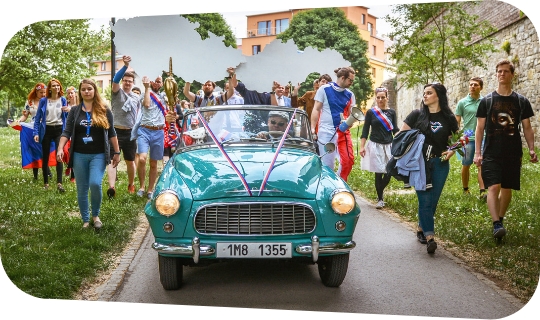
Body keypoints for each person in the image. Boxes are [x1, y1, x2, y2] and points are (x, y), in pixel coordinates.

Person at [473, 59, 538, 239]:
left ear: (512, 75)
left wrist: (531, 149)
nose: (502, 74)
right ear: (496, 75)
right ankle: (496, 224)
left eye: (505, 71)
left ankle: (500, 219)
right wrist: (477, 153)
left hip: (513, 151)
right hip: (491, 151)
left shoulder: (521, 101)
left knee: (507, 188)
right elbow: (479, 129)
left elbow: (527, 127)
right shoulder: (487, 101)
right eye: (499, 71)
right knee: (493, 186)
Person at [400, 82, 459, 254]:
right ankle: (430, 237)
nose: (425, 96)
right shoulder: (417, 115)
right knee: (425, 200)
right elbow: (402, 136)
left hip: (440, 163)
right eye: (424, 93)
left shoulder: (448, 117)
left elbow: (456, 139)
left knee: (433, 201)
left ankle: (421, 228)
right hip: (420, 164)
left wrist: (451, 151)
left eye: (429, 93)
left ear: (438, 96)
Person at [56, 79, 121, 229]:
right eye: (83, 89)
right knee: (82, 187)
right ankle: (85, 219)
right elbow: (66, 131)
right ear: (80, 92)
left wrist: (116, 152)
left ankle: (96, 216)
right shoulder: (75, 110)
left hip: (98, 155)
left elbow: (112, 132)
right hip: (79, 154)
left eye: (89, 89)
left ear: (94, 91)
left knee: (95, 183)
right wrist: (60, 147)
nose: (86, 91)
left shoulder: (104, 109)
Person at [311, 67, 356, 182]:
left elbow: (353, 114)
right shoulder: (324, 89)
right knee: (327, 165)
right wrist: (312, 128)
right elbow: (316, 109)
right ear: (342, 78)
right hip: (326, 132)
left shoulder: (350, 95)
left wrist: (350, 122)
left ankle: (338, 184)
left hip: (343, 132)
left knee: (348, 161)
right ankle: (327, 187)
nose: (352, 83)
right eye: (350, 80)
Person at [106, 55, 141, 197]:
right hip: (115, 132)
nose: (127, 83)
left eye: (129, 81)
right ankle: (112, 187)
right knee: (112, 160)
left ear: (133, 83)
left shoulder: (136, 97)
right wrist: (125, 66)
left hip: (130, 133)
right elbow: (115, 80)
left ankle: (131, 184)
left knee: (130, 161)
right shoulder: (116, 92)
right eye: (125, 81)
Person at [135, 76, 175, 199]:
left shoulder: (164, 97)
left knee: (153, 163)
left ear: (162, 84)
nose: (156, 84)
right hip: (144, 130)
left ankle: (150, 189)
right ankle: (142, 186)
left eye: (159, 82)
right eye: (154, 81)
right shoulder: (145, 94)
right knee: (142, 159)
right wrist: (147, 88)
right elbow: (146, 104)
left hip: (158, 131)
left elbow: (172, 107)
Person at [359, 86, 399, 209]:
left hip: (389, 145)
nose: (380, 99)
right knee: (378, 172)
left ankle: (379, 190)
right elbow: (365, 130)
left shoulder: (392, 113)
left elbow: (395, 130)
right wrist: (362, 146)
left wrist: (401, 141)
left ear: (387, 98)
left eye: (383, 97)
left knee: (389, 171)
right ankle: (380, 199)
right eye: (378, 97)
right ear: (376, 98)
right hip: (375, 144)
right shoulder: (371, 112)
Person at [33, 78, 68, 192]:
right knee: (46, 157)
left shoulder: (63, 100)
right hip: (46, 130)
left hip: (59, 130)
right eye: (53, 85)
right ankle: (46, 183)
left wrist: (67, 111)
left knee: (59, 155)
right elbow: (37, 119)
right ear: (50, 88)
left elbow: (66, 118)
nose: (56, 87)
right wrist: (36, 133)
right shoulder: (44, 101)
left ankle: (59, 183)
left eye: (58, 85)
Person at [455, 77, 486, 200]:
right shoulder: (462, 102)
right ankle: (465, 189)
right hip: (467, 137)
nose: (473, 86)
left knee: (481, 164)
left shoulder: (485, 101)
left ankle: (483, 191)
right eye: (471, 84)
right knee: (466, 164)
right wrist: (458, 136)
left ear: (481, 87)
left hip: (483, 137)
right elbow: (456, 121)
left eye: (476, 85)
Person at [18, 82, 47, 181]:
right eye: (41, 92)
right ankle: (35, 176)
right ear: (36, 92)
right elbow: (25, 115)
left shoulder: (48, 101)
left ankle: (47, 170)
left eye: (44, 92)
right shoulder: (30, 102)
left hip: (45, 128)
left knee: (44, 150)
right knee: (34, 151)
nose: (43, 94)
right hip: (32, 128)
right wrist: (19, 121)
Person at [65, 86, 78, 183]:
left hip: (77, 132)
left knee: (73, 153)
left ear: (75, 94)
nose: (70, 95)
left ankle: (73, 176)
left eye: (72, 93)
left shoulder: (80, 105)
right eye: (68, 93)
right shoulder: (64, 105)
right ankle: (68, 165)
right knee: (65, 152)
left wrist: (71, 111)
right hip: (65, 131)